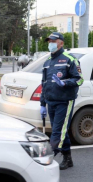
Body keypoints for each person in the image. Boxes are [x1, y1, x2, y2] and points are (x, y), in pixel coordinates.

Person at [40, 32, 84, 170]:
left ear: (61, 43)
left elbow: (79, 79)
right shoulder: (47, 62)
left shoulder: (69, 59)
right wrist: (42, 104)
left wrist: (65, 83)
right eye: (49, 41)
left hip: (64, 102)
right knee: (59, 131)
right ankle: (68, 158)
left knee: (58, 133)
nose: (50, 43)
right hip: (51, 101)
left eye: (53, 40)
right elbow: (44, 84)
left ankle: (46, 159)